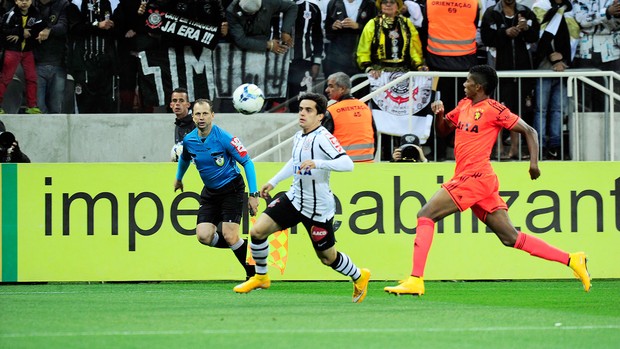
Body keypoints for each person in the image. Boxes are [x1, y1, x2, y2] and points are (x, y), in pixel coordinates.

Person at [384, 65, 591, 296]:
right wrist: (440, 114)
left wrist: (534, 163)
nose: (464, 85)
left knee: (425, 215)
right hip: (477, 180)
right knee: (510, 237)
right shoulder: (463, 105)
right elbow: (443, 131)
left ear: (478, 86)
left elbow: (530, 131)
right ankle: (573, 259)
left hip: (475, 176)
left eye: (467, 81)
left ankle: (415, 279)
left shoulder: (494, 109)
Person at [232, 92, 371, 303]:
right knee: (257, 231)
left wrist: (319, 163)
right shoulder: (299, 136)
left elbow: (347, 164)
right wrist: (274, 181)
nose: (302, 114)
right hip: (294, 199)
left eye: (308, 110)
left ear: (320, 116)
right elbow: (294, 162)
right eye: (300, 109)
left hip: (317, 208)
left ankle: (359, 276)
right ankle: (261, 276)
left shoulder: (324, 138)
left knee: (327, 258)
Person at [174, 98, 259, 281]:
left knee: (229, 236)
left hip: (232, 189)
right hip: (211, 193)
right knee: (204, 236)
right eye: (198, 114)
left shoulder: (225, 138)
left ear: (212, 115)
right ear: (193, 117)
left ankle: (252, 273)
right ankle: (245, 249)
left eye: (205, 113)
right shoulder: (189, 140)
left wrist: (254, 194)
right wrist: (179, 178)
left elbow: (247, 162)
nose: (201, 117)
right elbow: (185, 158)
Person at [481, 0, 539, 160]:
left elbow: (535, 36)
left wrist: (526, 28)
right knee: (497, 111)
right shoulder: (491, 13)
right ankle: (498, 148)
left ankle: (515, 149)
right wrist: (505, 33)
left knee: (517, 112)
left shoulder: (526, 12)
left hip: (522, 71)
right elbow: (486, 38)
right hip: (499, 70)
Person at [423, 0, 480, 161]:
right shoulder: (473, 3)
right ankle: (460, 152)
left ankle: (438, 152)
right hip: (465, 65)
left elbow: (423, 29)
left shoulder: (431, 2)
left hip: (437, 65)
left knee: (439, 110)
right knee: (463, 111)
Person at [531, 0, 579, 160]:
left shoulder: (571, 9)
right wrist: (553, 59)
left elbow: (574, 35)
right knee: (541, 109)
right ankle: (540, 147)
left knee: (558, 109)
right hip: (544, 65)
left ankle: (555, 147)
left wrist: (563, 60)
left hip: (564, 66)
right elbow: (540, 34)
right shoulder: (540, 5)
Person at [66, 0, 118, 113]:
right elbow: (75, 28)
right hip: (84, 63)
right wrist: (97, 25)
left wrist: (114, 26)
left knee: (107, 106)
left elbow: (119, 28)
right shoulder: (76, 4)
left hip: (107, 63)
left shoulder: (113, 4)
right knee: (86, 104)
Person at [572, 0, 620, 112]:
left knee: (609, 97)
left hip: (612, 54)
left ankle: (610, 129)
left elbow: (616, 25)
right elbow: (582, 21)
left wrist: (614, 15)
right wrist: (607, 13)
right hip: (585, 54)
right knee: (584, 98)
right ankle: (584, 128)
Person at [356, 0, 425, 77]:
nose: (388, 5)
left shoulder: (406, 23)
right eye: (385, 2)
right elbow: (363, 51)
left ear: (398, 5)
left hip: (404, 74)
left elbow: (415, 49)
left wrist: (419, 65)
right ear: (380, 5)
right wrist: (369, 68)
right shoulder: (373, 23)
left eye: (392, 2)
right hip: (379, 74)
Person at [0, 0, 44, 114]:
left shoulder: (35, 13)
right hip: (12, 51)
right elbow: (3, 30)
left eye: (27, 0)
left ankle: (32, 106)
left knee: (32, 78)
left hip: (28, 51)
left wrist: (23, 34)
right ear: (15, 1)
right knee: (5, 78)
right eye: (21, 0)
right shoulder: (10, 14)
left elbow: (39, 27)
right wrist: (20, 32)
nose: (24, 2)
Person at [323, 72, 376, 162]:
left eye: (331, 86)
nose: (327, 90)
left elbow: (323, 141)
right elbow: (375, 135)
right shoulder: (365, 107)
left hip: (343, 166)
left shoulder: (332, 110)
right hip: (367, 163)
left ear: (342, 89)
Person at [323, 0, 377, 78]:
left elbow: (376, 31)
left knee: (359, 87)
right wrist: (333, 27)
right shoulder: (333, 3)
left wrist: (358, 26)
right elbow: (328, 34)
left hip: (360, 58)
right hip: (336, 59)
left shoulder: (370, 4)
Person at [286, 0, 323, 112]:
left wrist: (316, 62)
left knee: (300, 101)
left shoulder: (313, 8)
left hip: (303, 61)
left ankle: (298, 128)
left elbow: (318, 36)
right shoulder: (277, 5)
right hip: (279, 61)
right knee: (277, 101)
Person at [33, 0, 69, 114]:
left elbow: (64, 26)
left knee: (56, 106)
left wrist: (49, 30)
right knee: (38, 108)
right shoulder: (31, 6)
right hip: (36, 64)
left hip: (58, 64)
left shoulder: (63, 4)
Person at [226, 0, 297, 54]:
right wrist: (268, 45)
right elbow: (241, 39)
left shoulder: (268, 2)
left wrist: (285, 31)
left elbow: (292, 6)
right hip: (243, 47)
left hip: (264, 38)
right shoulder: (231, 11)